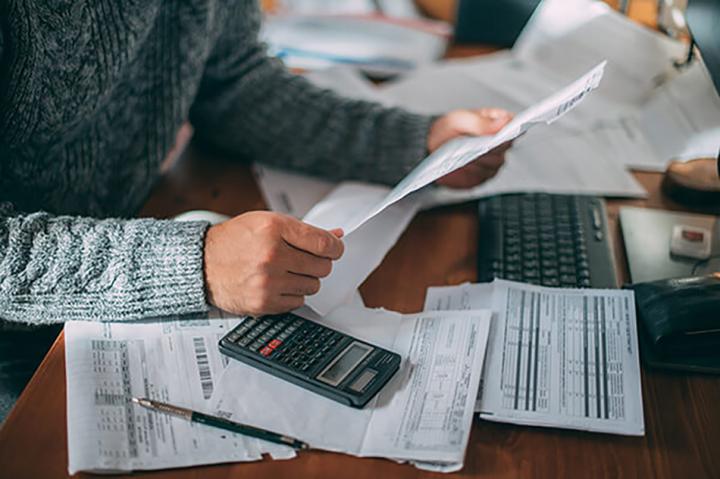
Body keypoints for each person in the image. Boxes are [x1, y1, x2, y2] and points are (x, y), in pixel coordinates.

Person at [0, 0, 512, 420]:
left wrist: (414, 143)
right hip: (21, 352)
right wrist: (194, 264)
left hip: (132, 252)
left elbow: (233, 83)